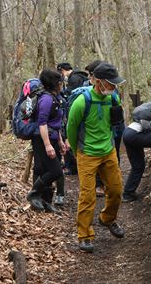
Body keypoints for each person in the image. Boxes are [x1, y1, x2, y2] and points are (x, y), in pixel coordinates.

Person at [67, 62, 126, 253]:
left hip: (108, 151)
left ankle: (107, 219)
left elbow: (115, 124)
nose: (114, 87)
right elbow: (71, 129)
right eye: (110, 84)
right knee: (88, 195)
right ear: (98, 82)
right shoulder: (81, 102)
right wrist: (78, 152)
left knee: (116, 190)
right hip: (87, 154)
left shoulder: (113, 98)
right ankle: (84, 235)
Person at [26, 69, 67, 213]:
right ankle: (34, 193)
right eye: (60, 81)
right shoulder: (46, 99)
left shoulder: (55, 97)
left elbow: (56, 122)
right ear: (55, 83)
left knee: (47, 170)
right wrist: (48, 145)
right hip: (43, 140)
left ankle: (46, 202)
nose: (62, 84)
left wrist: (60, 140)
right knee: (56, 171)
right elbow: (42, 123)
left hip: (54, 137)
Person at [83, 60, 125, 197]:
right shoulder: (84, 98)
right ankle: (98, 184)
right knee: (87, 195)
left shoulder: (112, 94)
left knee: (114, 158)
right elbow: (72, 126)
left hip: (111, 137)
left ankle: (110, 183)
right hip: (89, 147)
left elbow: (117, 113)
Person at [54, 63, 88, 205]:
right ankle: (73, 166)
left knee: (69, 136)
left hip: (74, 113)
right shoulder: (80, 77)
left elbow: (70, 97)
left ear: (63, 70)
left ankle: (72, 166)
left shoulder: (74, 79)